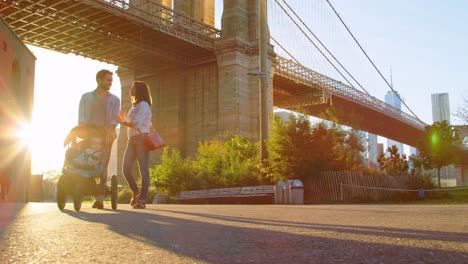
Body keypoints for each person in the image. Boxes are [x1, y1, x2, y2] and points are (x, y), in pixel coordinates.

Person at [78, 69, 120, 209]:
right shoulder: (86, 97)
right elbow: (81, 116)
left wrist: (109, 129)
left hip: (106, 135)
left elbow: (115, 118)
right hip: (89, 134)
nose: (110, 83)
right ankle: (91, 192)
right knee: (89, 161)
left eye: (111, 80)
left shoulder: (115, 99)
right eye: (108, 80)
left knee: (102, 165)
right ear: (99, 80)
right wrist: (82, 127)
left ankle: (100, 198)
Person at [115, 81, 152, 209]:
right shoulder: (134, 106)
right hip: (131, 140)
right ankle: (136, 191)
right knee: (125, 169)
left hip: (142, 139)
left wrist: (122, 122)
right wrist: (124, 118)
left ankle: (142, 200)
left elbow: (136, 123)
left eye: (133, 88)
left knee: (143, 170)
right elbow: (131, 121)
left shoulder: (144, 105)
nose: (130, 90)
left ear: (139, 90)